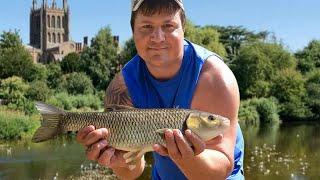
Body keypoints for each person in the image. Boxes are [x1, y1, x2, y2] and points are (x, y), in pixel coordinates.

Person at [76, 0, 244, 179]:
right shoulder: (121, 88)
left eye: (168, 25)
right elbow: (132, 171)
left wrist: (187, 158)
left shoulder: (214, 78)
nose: (157, 37)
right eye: (147, 26)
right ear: (133, 32)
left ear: (183, 29)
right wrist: (118, 160)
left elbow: (222, 167)